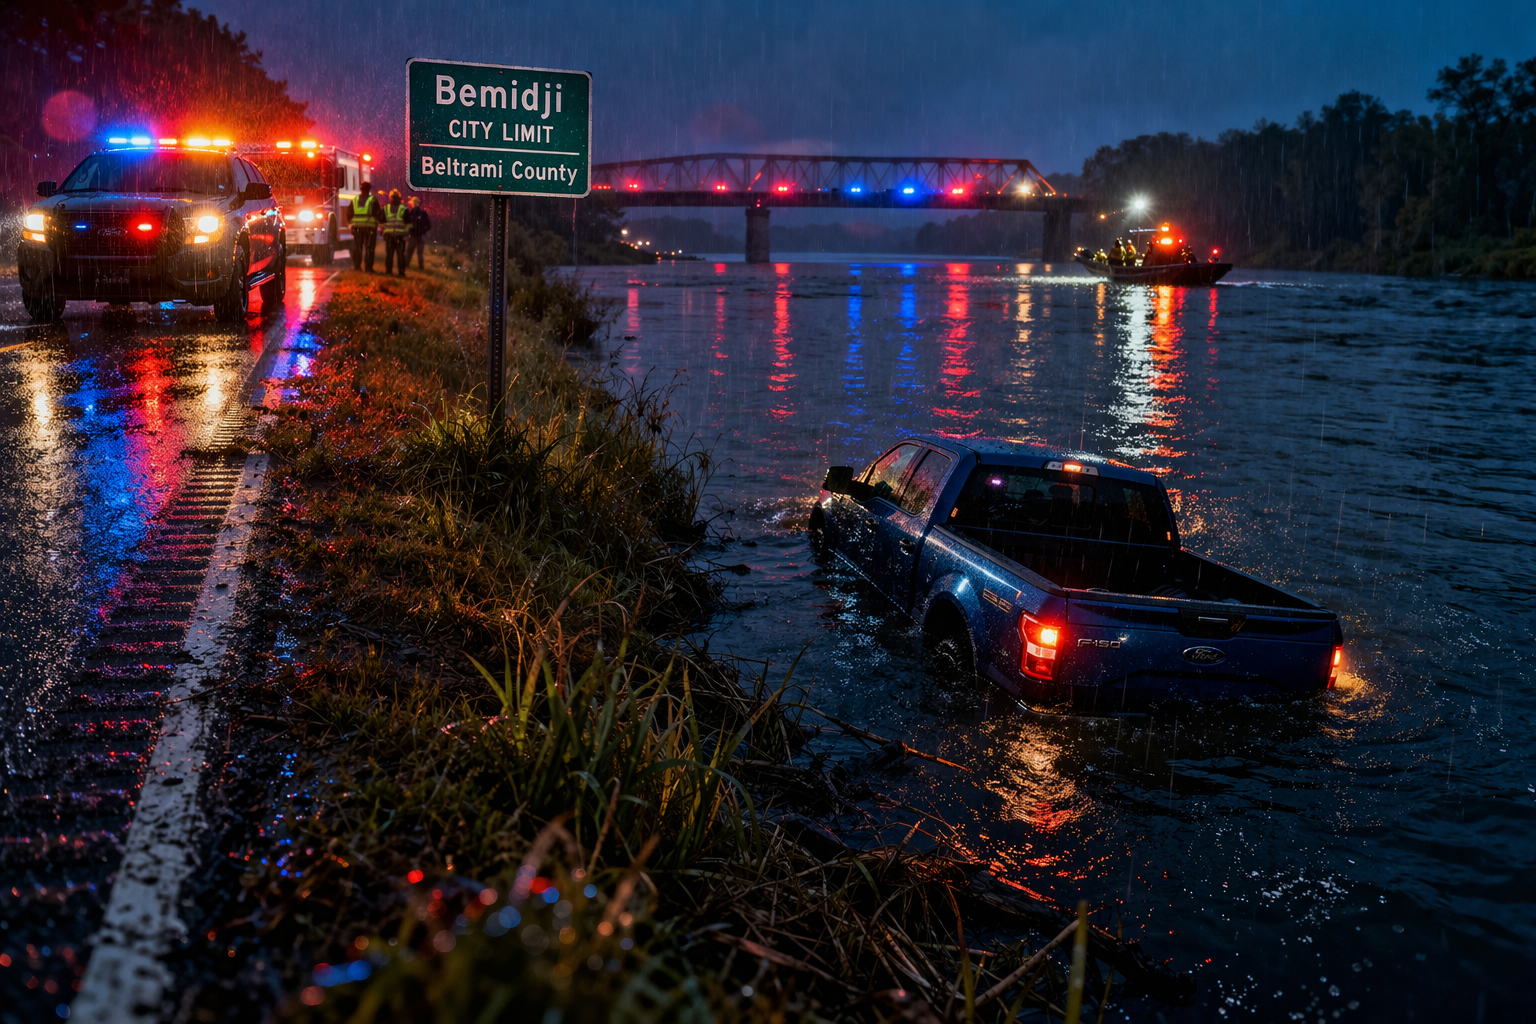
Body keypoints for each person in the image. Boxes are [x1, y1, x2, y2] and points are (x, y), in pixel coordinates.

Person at [348, 181, 380, 272]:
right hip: (370, 228)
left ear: (361, 189)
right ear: (369, 189)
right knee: (369, 248)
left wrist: (352, 225)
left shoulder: (355, 199)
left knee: (358, 247)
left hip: (357, 227)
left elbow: (349, 214)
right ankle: (368, 268)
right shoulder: (373, 200)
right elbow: (378, 213)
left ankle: (357, 267)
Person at [382, 189, 410, 276]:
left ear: (390, 198)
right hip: (400, 236)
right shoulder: (404, 209)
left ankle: (388, 271)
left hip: (389, 235)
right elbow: (408, 222)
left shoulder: (385, 208)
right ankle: (401, 272)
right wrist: (406, 233)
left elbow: (381, 221)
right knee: (400, 255)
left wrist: (383, 231)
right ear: (399, 198)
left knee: (389, 254)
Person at [404, 196, 431, 271]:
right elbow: (429, 225)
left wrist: (410, 232)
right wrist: (423, 231)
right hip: (421, 236)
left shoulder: (411, 213)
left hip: (413, 236)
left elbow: (407, 223)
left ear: (413, 204)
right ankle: (421, 268)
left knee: (409, 252)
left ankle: (406, 265)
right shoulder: (423, 213)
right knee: (420, 253)